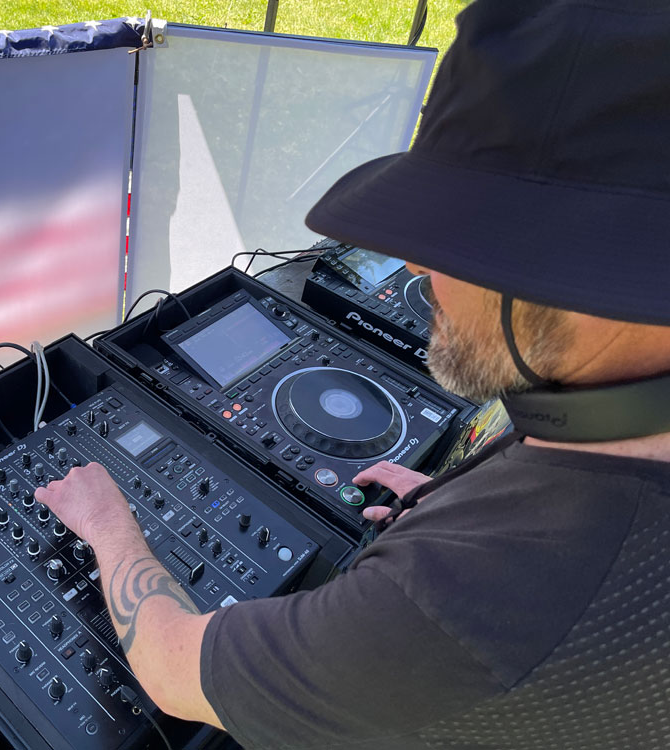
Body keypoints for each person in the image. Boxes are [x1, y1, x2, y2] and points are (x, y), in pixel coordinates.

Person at [36, 0, 670, 747]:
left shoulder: (474, 597)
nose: (417, 265)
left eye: (457, 238)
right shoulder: (612, 429)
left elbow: (173, 673)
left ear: (591, 271)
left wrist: (110, 527)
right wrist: (451, 507)